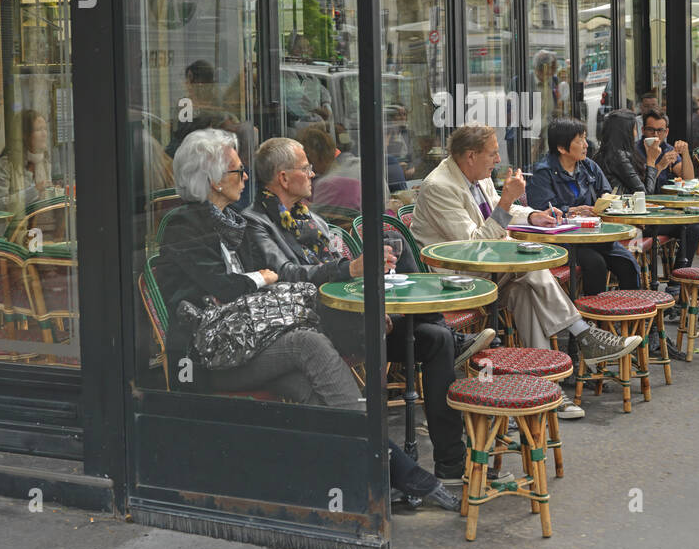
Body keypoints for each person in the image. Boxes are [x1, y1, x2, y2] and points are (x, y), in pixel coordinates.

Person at [157, 129, 458, 509]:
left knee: (308, 385)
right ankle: (399, 471)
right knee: (308, 343)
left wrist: (264, 279)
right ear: (213, 180)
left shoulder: (230, 220)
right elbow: (228, 286)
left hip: (249, 340)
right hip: (206, 353)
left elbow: (264, 282)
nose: (246, 177)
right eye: (237, 171)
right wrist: (261, 278)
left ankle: (362, 478)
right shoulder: (184, 225)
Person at [242, 136, 490, 484]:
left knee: (435, 339)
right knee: (432, 328)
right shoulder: (257, 222)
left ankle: (451, 464)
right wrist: (353, 271)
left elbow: (332, 262)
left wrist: (366, 271)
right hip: (320, 325)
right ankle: (446, 332)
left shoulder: (305, 217)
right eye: (305, 168)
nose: (313, 174)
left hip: (349, 311)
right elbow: (286, 276)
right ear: (283, 179)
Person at [410, 123, 639, 420]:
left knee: (525, 290)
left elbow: (496, 212)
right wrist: (507, 201)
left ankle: (543, 388)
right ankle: (583, 335)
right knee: (529, 268)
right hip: (457, 278)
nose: (497, 160)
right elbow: (472, 247)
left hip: (490, 271)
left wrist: (532, 214)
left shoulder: (477, 175)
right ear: (470, 156)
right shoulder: (440, 186)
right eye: (492, 154)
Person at [595, 108, 699, 273]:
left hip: (651, 209)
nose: (656, 135)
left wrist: (684, 154)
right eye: (650, 129)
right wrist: (654, 163)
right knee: (695, 225)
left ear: (667, 131)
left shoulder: (641, 151)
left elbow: (687, 180)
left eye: (660, 130)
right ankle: (688, 277)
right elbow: (645, 194)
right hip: (636, 216)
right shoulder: (627, 154)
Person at [527, 117, 640, 296]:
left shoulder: (588, 166)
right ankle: (594, 319)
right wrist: (573, 211)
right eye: (580, 140)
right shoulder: (543, 172)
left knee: (627, 262)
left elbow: (606, 191)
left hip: (593, 234)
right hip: (564, 240)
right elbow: (542, 211)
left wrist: (603, 201)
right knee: (596, 263)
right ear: (562, 148)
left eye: (585, 138)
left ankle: (630, 315)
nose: (586, 145)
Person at [0, 109, 58, 212]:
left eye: (45, 129)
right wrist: (34, 191)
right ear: (24, 135)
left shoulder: (45, 162)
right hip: (14, 226)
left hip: (40, 225)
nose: (44, 134)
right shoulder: (4, 165)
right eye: (38, 129)